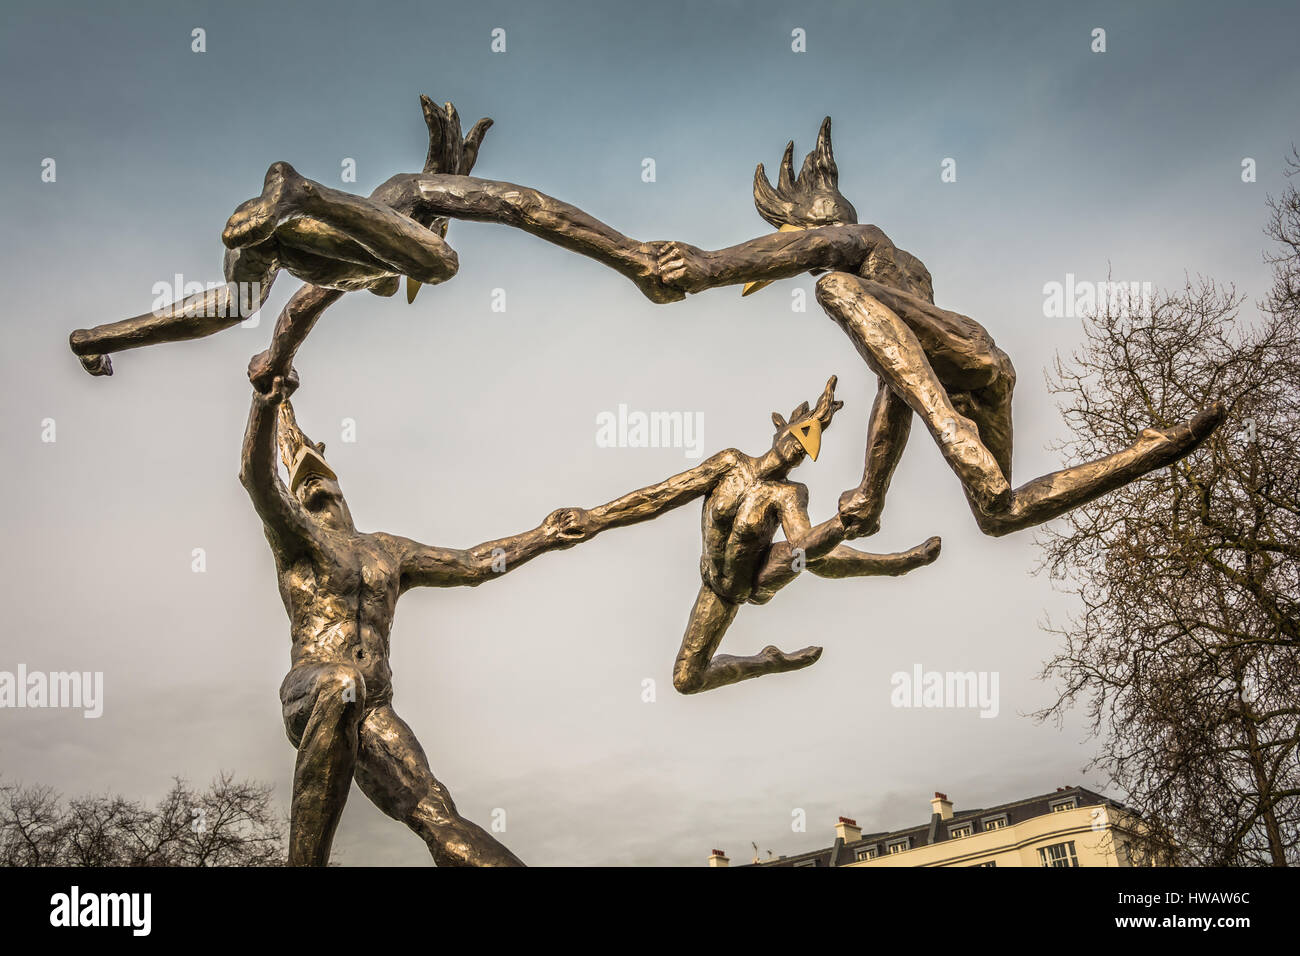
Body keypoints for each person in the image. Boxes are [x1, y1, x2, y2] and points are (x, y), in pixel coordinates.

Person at [241, 369, 593, 866]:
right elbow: (256, 479)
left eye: (320, 477)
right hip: (314, 687)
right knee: (341, 683)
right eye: (302, 484)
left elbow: (472, 564)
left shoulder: (387, 550)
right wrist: (265, 405)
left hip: (374, 705)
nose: (312, 485)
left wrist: (543, 535)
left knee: (436, 811)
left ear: (342, 490)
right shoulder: (297, 538)